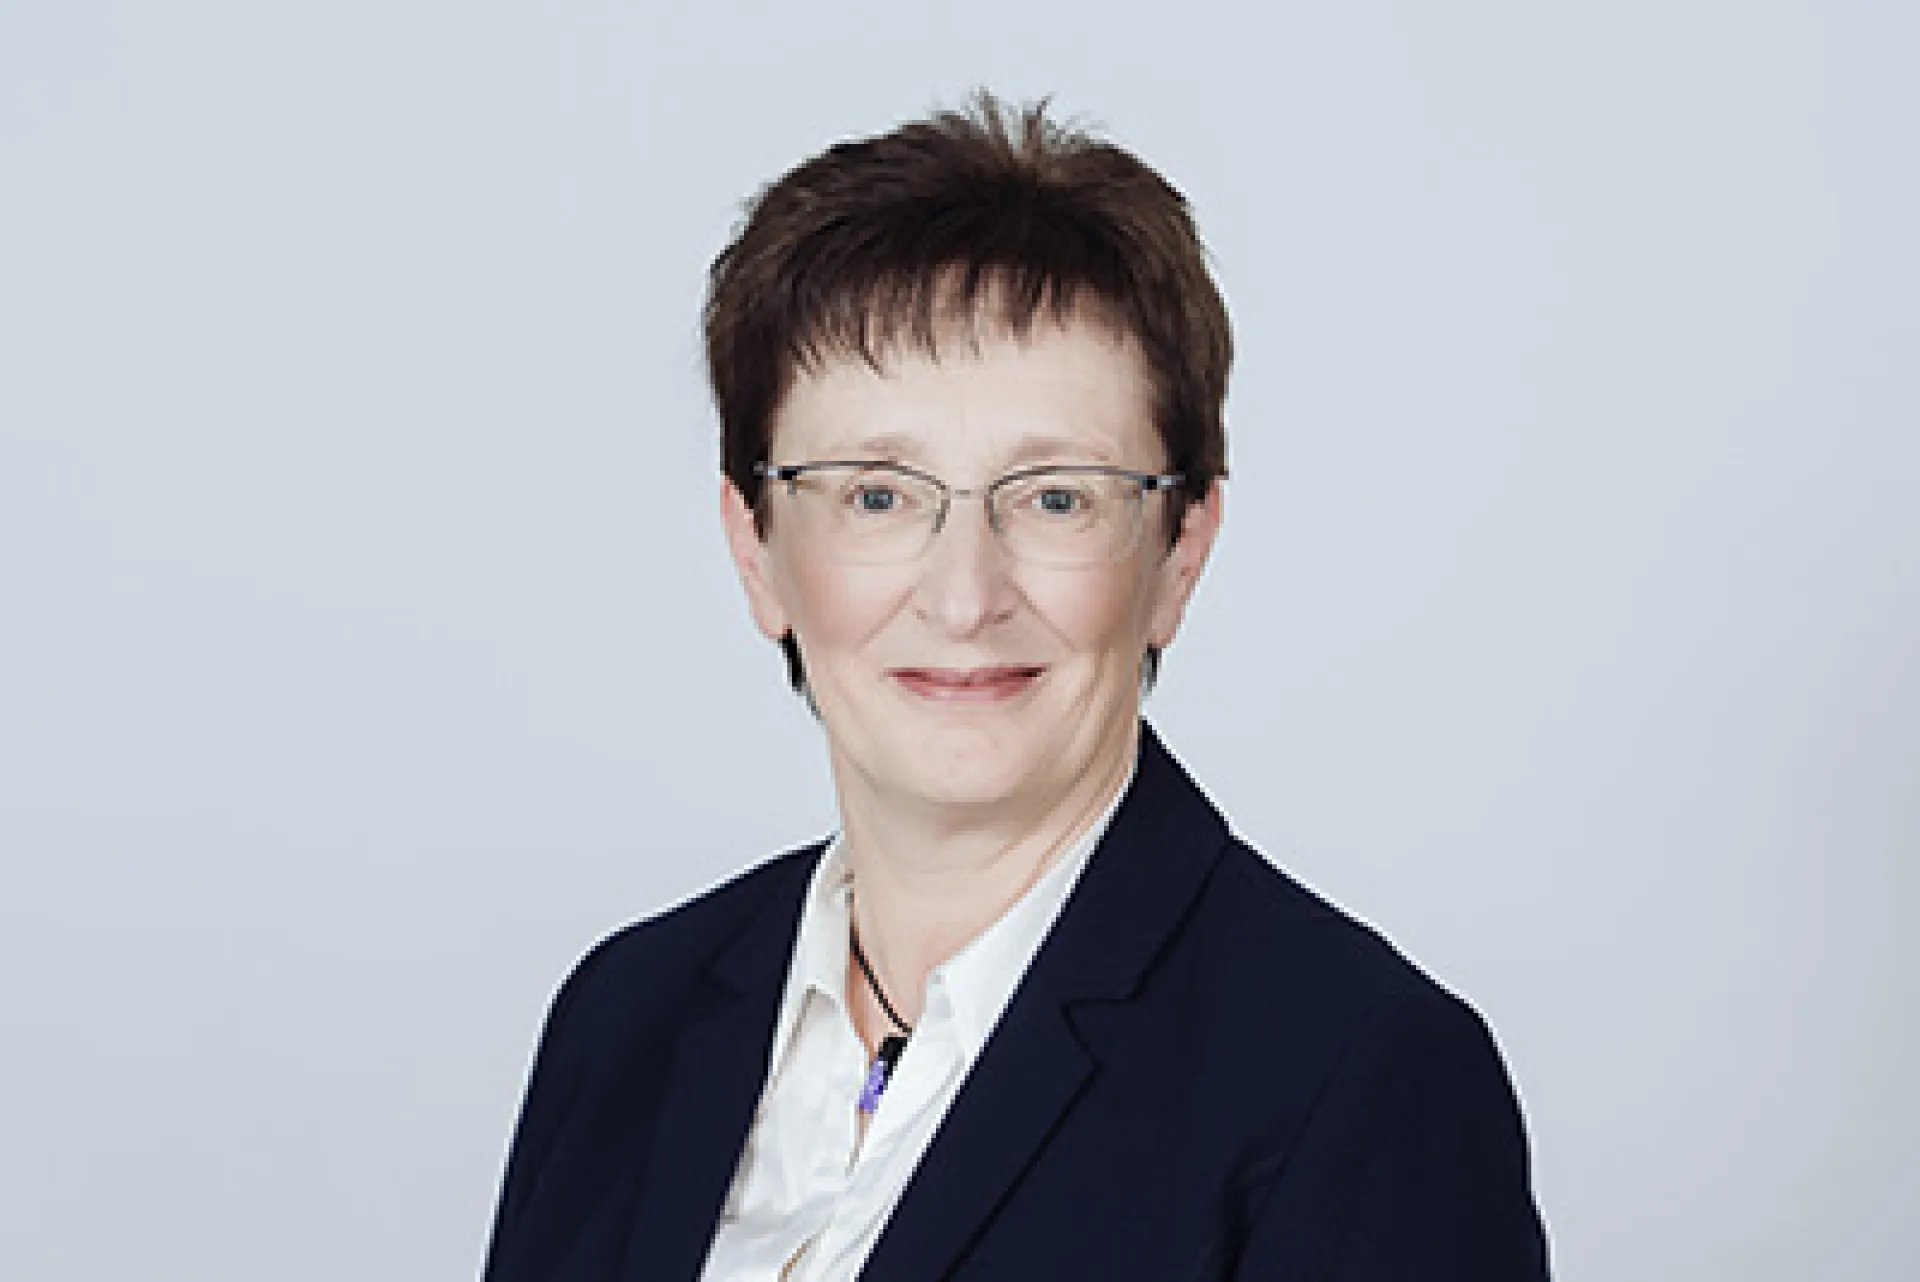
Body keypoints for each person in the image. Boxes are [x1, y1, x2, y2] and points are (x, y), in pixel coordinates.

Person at [482, 93, 1550, 1281]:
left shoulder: (1362, 1083)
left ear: (1180, 552)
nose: (964, 595)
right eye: (877, 494)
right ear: (756, 547)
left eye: (1054, 497)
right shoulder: (624, 1020)